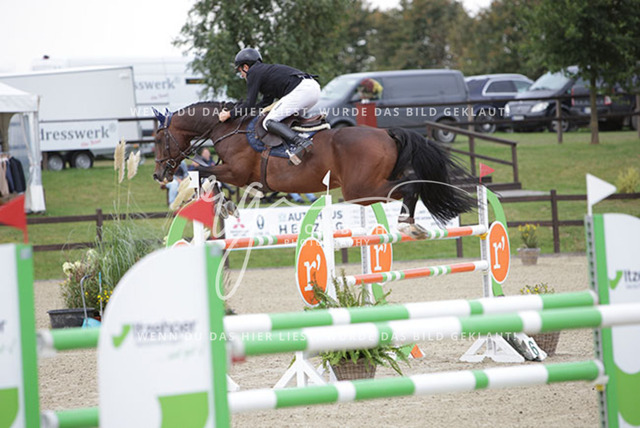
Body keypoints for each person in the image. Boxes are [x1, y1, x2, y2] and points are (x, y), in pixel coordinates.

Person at [217, 47, 321, 166]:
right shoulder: (264, 73)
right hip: (313, 89)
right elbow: (264, 103)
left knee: (269, 121)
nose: (241, 75)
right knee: (288, 121)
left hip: (302, 90)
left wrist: (230, 114)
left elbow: (249, 104)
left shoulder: (253, 72)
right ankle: (296, 145)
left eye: (240, 71)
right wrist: (241, 110)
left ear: (246, 67)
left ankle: (301, 142)